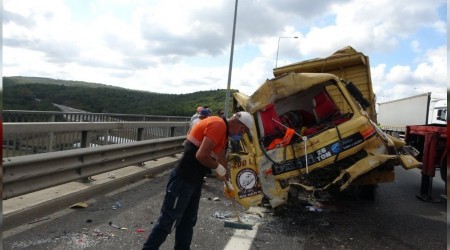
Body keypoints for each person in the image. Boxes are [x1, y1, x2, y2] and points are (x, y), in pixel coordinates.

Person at [142, 111, 255, 250]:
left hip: (194, 180)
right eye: (243, 132)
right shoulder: (218, 125)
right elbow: (201, 155)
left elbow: (220, 157)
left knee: (187, 222)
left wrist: (228, 181)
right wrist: (218, 168)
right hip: (183, 179)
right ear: (240, 126)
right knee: (168, 221)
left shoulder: (223, 132)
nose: (242, 135)